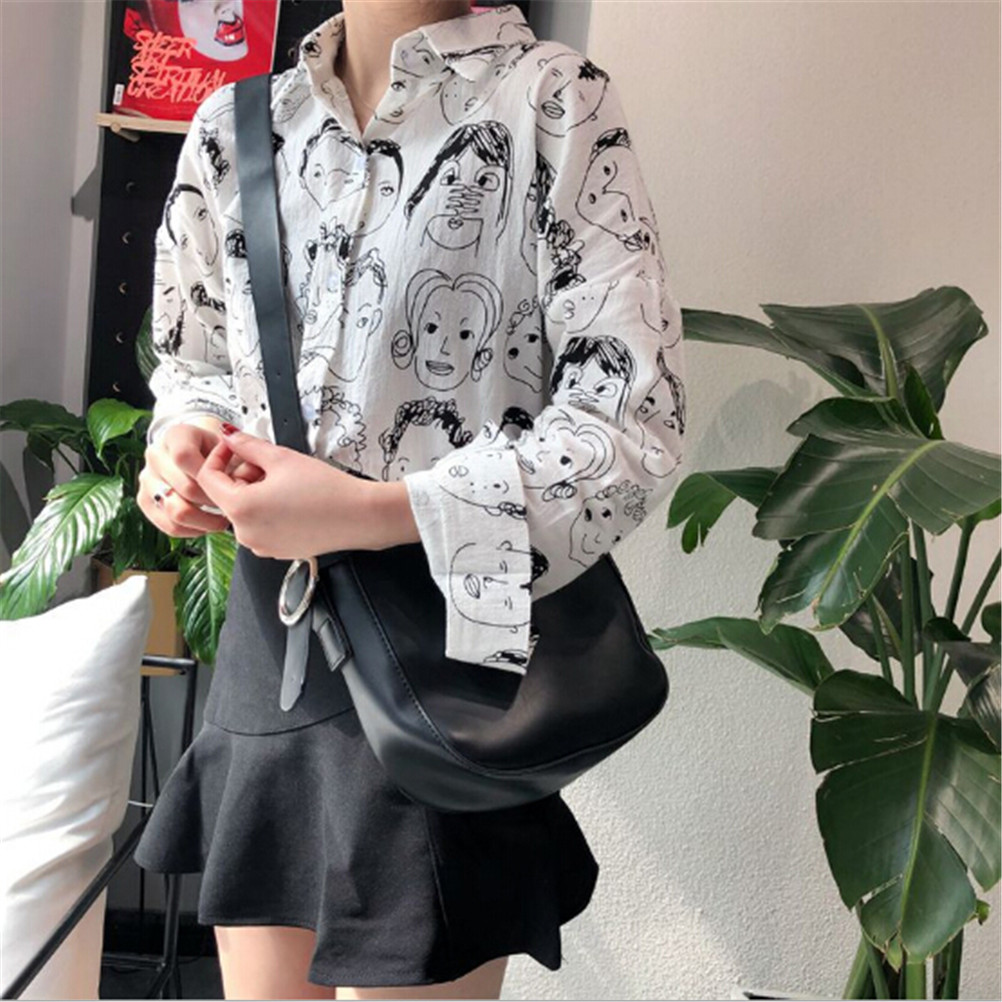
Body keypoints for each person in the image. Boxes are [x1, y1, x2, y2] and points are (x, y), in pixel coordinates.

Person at [133, 1, 687, 998]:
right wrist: (182, 444)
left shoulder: (549, 103)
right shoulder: (238, 125)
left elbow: (629, 424)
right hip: (273, 644)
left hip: (448, 658)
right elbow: (196, 361)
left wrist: (365, 511)